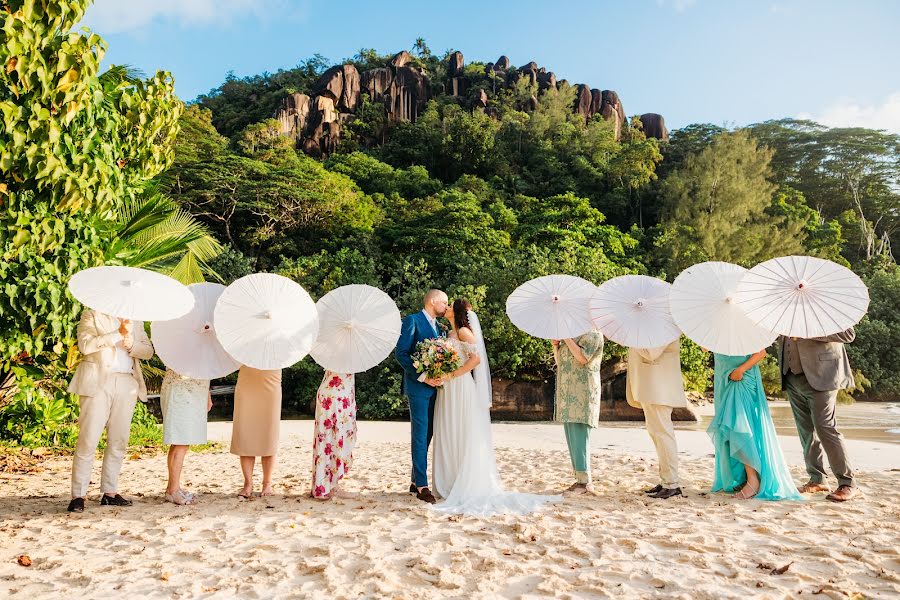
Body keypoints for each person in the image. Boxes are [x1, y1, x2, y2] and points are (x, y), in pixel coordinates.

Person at [431, 299, 559, 516]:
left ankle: (462, 482)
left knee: (462, 432)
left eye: (451, 305)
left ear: (458, 311)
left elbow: (475, 360)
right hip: (448, 389)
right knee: (449, 431)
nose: (448, 308)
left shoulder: (464, 332)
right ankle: (450, 481)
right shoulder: (449, 334)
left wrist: (452, 374)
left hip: (461, 387)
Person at [67, 310, 154, 513]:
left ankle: (110, 492)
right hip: (98, 381)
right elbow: (85, 345)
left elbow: (148, 351)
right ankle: (78, 495)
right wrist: (118, 334)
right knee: (88, 438)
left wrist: (132, 344)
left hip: (127, 381)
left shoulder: (136, 318)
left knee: (119, 439)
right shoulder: (92, 314)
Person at [708, 351, 802, 501]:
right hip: (723, 377)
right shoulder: (719, 329)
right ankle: (741, 479)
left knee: (741, 428)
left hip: (741, 377)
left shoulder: (747, 326)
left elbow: (761, 352)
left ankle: (753, 481)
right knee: (730, 430)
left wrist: (741, 369)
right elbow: (706, 347)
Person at [779, 330, 860, 502]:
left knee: (825, 427)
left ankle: (848, 483)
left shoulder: (828, 304)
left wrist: (807, 333)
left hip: (823, 374)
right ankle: (817, 478)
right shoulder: (785, 304)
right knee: (805, 430)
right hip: (792, 376)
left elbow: (847, 335)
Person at [394, 289, 448, 504]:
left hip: (436, 388)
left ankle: (415, 480)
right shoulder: (412, 321)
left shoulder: (439, 327)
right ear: (433, 301)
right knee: (420, 433)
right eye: (444, 303)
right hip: (418, 387)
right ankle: (423, 486)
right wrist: (424, 377)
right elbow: (401, 353)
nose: (446, 306)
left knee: (429, 434)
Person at [625, 341, 686, 499]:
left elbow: (651, 352)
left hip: (660, 389)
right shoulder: (654, 323)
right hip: (651, 388)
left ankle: (672, 484)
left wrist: (629, 338)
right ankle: (666, 480)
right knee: (657, 434)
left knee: (663, 435)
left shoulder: (664, 324)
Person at [552, 328, 605, 496]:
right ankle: (579, 478)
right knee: (571, 433)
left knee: (580, 433)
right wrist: (555, 346)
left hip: (583, 390)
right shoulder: (573, 335)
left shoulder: (594, 334)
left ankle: (585, 481)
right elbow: (560, 362)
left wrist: (566, 337)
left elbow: (582, 358)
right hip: (568, 390)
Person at [159, 368, 212, 505]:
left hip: (196, 389)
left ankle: (172, 488)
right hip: (181, 388)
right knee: (181, 440)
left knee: (180, 441)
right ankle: (173, 490)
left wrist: (207, 392)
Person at [230, 366, 282, 498]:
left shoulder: (279, 346)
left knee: (268, 435)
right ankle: (248, 483)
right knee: (246, 435)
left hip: (271, 383)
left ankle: (267, 483)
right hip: (247, 383)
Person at [311, 371, 357, 500]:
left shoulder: (330, 352)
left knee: (326, 440)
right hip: (338, 397)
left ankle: (322, 486)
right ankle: (331, 487)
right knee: (335, 440)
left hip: (329, 394)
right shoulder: (347, 353)